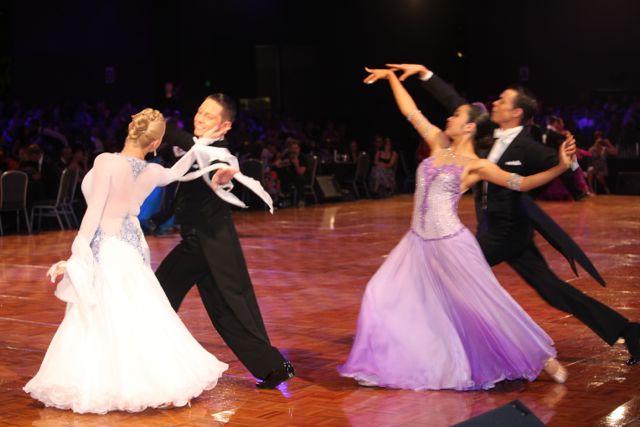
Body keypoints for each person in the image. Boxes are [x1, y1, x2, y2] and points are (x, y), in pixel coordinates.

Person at [386, 63, 640, 365]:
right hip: (500, 232)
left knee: (446, 275)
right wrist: (424, 73)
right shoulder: (484, 135)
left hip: (505, 233)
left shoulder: (529, 148)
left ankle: (443, 346)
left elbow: (562, 171)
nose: (495, 103)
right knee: (553, 292)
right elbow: (455, 104)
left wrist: (568, 163)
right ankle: (630, 332)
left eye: (502, 101)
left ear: (516, 112)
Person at [339, 67, 575, 390]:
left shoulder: (477, 165)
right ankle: (382, 365)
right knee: (379, 294)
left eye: (455, 116)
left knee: (485, 305)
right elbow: (410, 111)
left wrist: (560, 166)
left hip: (450, 244)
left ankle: (542, 358)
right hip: (416, 243)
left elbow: (521, 184)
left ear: (468, 127)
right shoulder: (438, 142)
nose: (448, 118)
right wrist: (391, 77)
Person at [24, 108, 230, 414]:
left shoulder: (106, 161)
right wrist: (200, 144)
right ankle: (156, 380)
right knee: (139, 313)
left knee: (105, 315)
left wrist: (77, 256)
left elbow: (94, 212)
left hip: (109, 247)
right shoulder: (153, 171)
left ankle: (110, 383)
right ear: (155, 143)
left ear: (132, 129)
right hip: (133, 248)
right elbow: (177, 172)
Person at [155, 94, 295, 389]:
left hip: (204, 243)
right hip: (208, 243)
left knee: (158, 296)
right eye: (199, 111)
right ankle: (274, 367)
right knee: (224, 311)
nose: (199, 118)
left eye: (209, 116)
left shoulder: (217, 152)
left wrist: (224, 179)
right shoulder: (198, 147)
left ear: (225, 125)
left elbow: (221, 167)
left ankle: (150, 363)